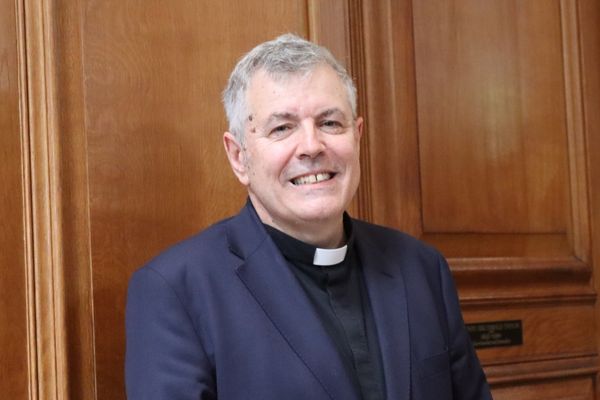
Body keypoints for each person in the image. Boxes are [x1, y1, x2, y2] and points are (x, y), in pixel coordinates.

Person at [125, 33, 492, 400]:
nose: (312, 146)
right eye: (282, 128)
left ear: (357, 136)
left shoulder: (422, 268)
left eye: (330, 123)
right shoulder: (175, 290)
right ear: (239, 157)